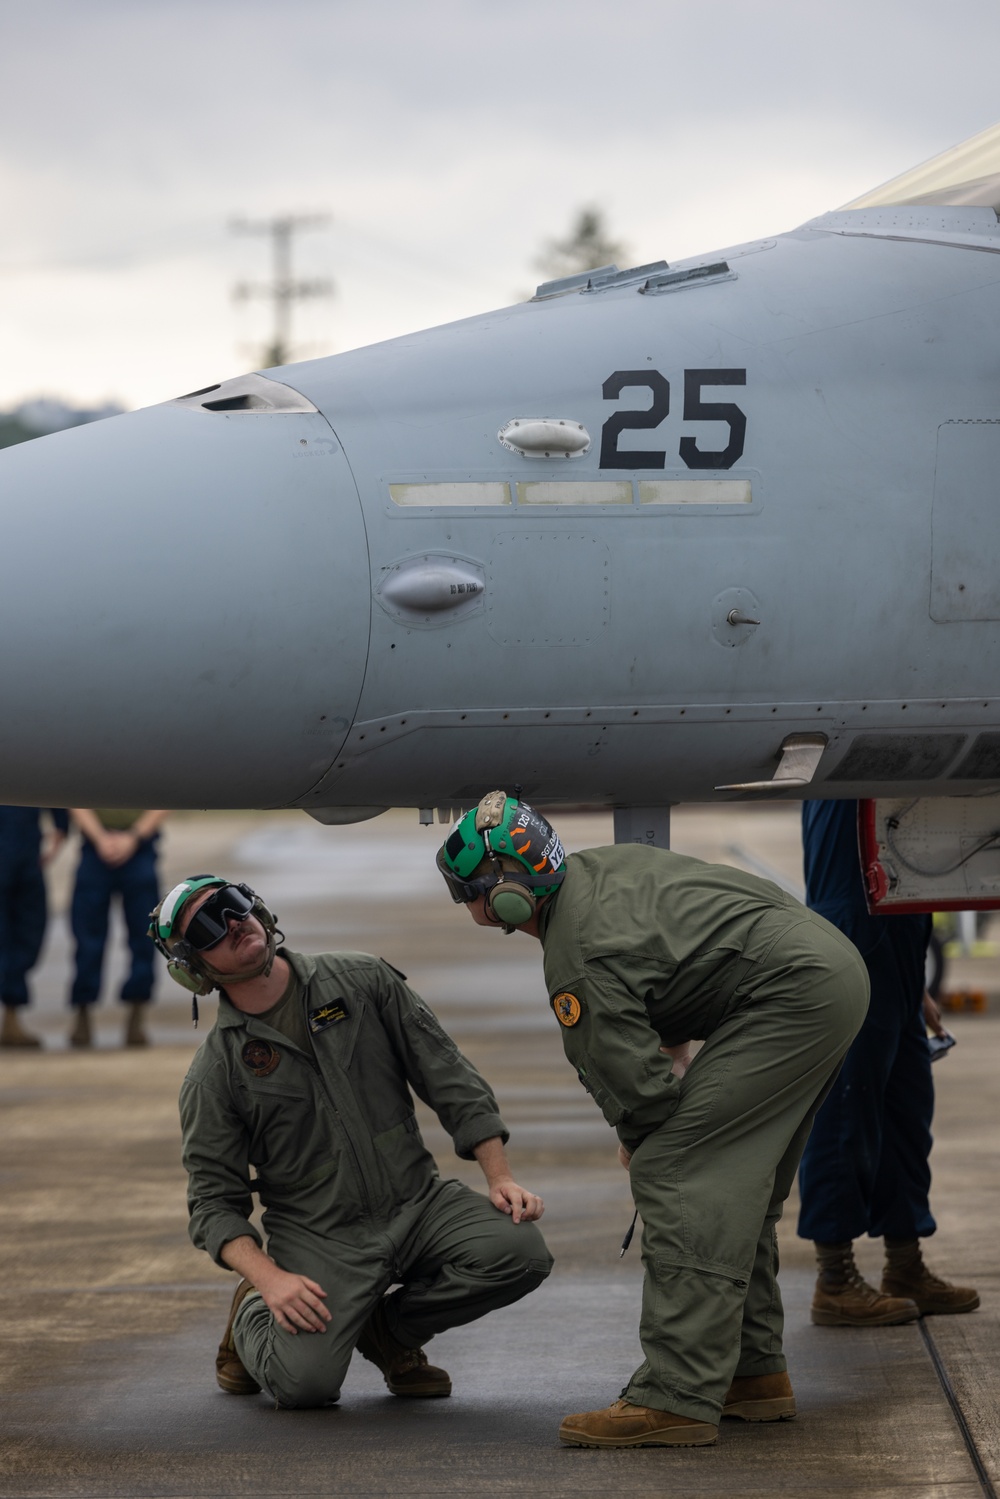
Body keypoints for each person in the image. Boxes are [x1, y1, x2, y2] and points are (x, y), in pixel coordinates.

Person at [438, 790, 870, 1450]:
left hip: (789, 993)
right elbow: (665, 976)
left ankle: (676, 1394)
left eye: (466, 891)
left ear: (506, 895)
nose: (465, 905)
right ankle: (750, 1375)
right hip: (819, 975)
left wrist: (641, 1136)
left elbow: (629, 1077)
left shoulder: (575, 950)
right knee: (737, 1184)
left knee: (677, 1171)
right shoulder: (595, 873)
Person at [159, 874, 551, 1410]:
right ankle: (250, 1315)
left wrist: (499, 1176)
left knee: (521, 1253)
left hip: (417, 1204)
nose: (232, 923)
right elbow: (212, 1203)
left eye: (233, 905)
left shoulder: (361, 980)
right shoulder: (216, 1072)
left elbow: (448, 1077)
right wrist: (270, 1280)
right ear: (193, 967)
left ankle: (390, 1332)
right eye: (207, 925)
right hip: (321, 1236)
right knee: (306, 1388)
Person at [796, 799, 979, 1323]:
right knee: (845, 1113)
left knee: (907, 1114)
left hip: (899, 939)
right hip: (855, 936)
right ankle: (835, 1278)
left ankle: (905, 1262)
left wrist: (914, 983)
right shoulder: (851, 754)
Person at [67, 808, 168, 1048]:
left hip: (140, 845)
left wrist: (134, 837)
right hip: (94, 845)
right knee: (87, 936)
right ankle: (83, 1010)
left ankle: (137, 1011)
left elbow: (164, 796)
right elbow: (75, 796)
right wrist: (100, 837)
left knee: (144, 935)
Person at [0, 806, 68, 1048]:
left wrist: (61, 825)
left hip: (26, 853)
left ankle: (11, 1016)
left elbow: (48, 776)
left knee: (28, 933)